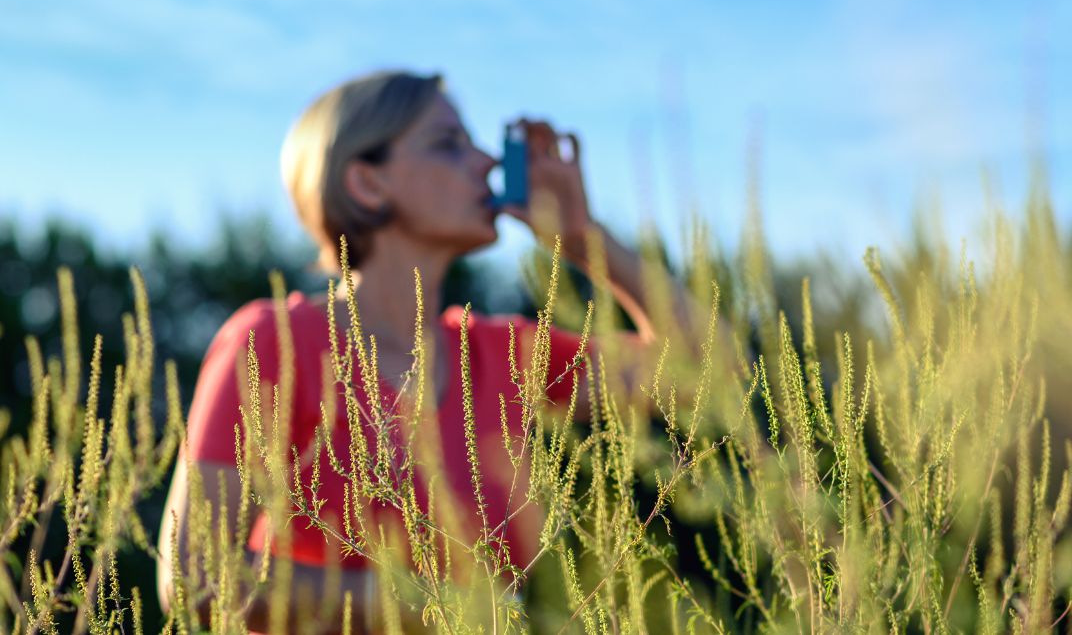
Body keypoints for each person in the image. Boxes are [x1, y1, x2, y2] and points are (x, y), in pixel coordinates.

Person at [156, 70, 706, 633]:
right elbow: (196, 574)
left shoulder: (501, 353)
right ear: (367, 183)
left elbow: (707, 374)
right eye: (449, 144)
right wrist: (428, 605)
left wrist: (583, 234)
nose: (489, 163)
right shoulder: (275, 344)